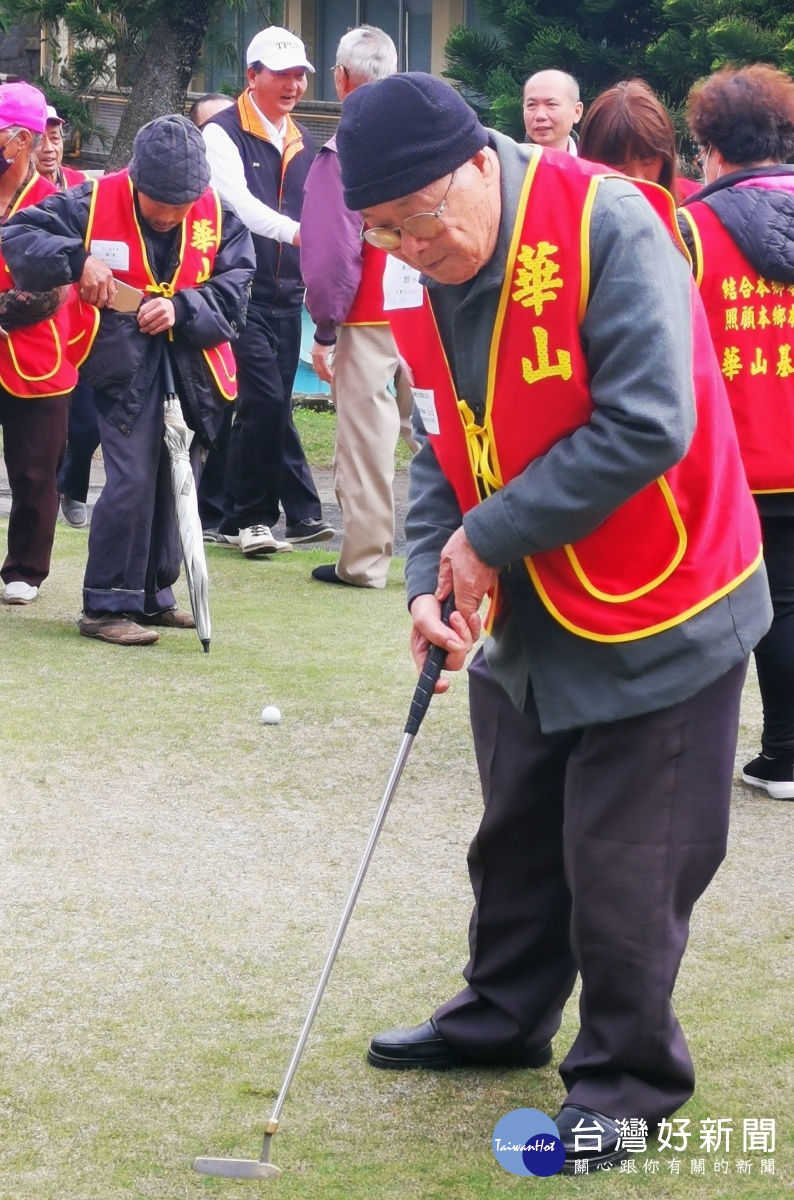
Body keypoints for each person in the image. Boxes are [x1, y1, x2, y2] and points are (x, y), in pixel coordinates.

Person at [335, 73, 771, 1173]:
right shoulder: (410, 267)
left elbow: (647, 422)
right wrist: (435, 576)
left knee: (626, 860)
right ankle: (501, 1013)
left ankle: (627, 1081)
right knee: (516, 831)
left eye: (422, 219)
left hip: (662, 593)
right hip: (528, 594)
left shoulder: (610, 222)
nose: (410, 247)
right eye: (383, 230)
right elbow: (438, 435)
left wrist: (485, 537)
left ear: (481, 163)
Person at [3, 114, 256, 645]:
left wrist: (183, 308)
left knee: (175, 473)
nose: (167, 217)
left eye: (179, 205)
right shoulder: (89, 202)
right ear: (135, 178)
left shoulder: (217, 213)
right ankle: (106, 603)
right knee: (134, 475)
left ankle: (153, 596)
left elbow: (237, 285)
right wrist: (78, 259)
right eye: (157, 203)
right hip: (120, 360)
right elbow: (18, 234)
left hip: (192, 361)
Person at [679, 64, 794, 801]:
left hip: (726, 459)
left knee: (704, 604)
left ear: (709, 145)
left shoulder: (688, 227)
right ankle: (785, 754)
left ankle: (687, 760)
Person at [202, 26, 334, 556]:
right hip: (237, 290)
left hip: (287, 292)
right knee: (264, 399)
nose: (293, 84)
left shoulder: (302, 140)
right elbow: (237, 205)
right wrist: (301, 233)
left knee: (263, 406)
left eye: (300, 74)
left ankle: (224, 513)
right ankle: (255, 518)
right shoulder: (221, 132)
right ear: (252, 75)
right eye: (280, 73)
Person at [301, 25, 417, 589]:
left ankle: (366, 560)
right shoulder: (430, 133)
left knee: (369, 441)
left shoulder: (342, 145)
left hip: (369, 312)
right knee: (442, 435)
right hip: (430, 307)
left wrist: (324, 327)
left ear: (341, 79)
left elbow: (329, 253)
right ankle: (448, 548)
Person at [0, 82, 77, 607]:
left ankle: (26, 567)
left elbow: (56, 287)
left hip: (36, 348)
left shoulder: (58, 205)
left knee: (35, 467)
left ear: (19, 141)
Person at [33, 103, 99, 530]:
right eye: (39, 139)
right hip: (35, 325)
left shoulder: (82, 187)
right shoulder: (15, 190)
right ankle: (48, 490)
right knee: (46, 420)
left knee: (88, 418)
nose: (49, 147)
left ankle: (73, 489)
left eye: (55, 137)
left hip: (85, 321)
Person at [188, 93, 235, 538]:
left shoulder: (226, 211)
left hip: (224, 324)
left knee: (227, 416)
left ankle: (217, 513)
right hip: (177, 335)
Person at [578, 79, 699, 203]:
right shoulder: (569, 217)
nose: (636, 178)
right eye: (620, 165)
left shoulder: (693, 207)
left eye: (647, 162)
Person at [522, 69, 582, 154]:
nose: (540, 115)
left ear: (577, 112)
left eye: (551, 104)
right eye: (531, 105)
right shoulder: (505, 164)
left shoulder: (596, 162)